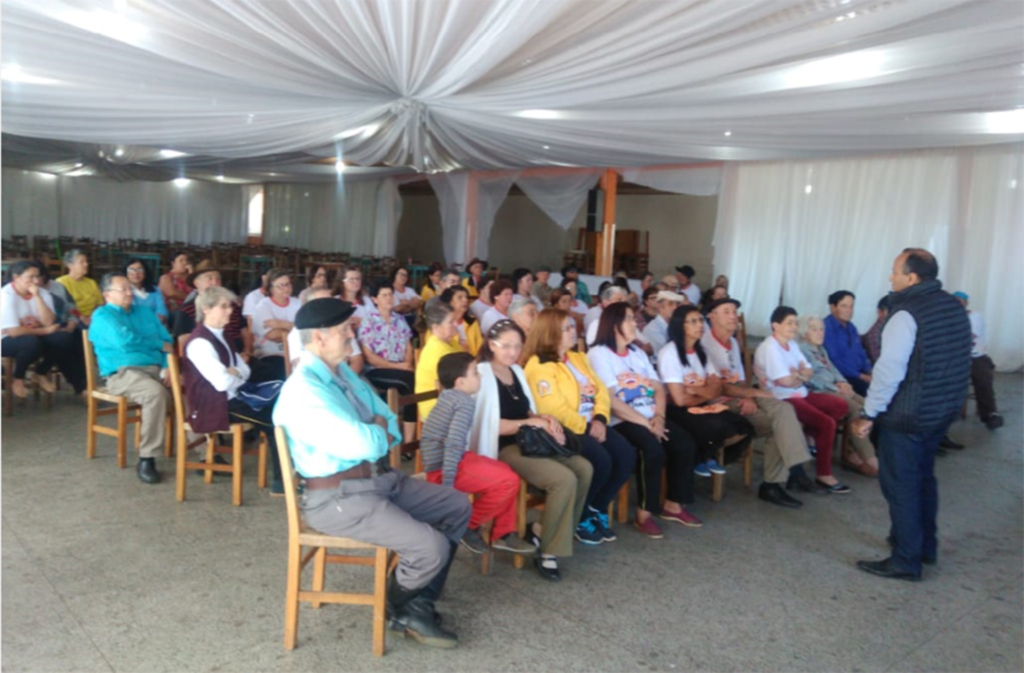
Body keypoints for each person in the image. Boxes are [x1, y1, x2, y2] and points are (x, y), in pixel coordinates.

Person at [274, 298, 471, 647]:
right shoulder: (305, 390)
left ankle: (416, 604)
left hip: (378, 480)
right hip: (336, 498)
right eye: (345, 330)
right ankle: (399, 606)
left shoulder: (343, 373)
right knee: (431, 547)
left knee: (456, 506)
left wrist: (375, 431)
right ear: (319, 338)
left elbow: (388, 422)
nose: (354, 334)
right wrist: (375, 431)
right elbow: (368, 441)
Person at [851, 248, 971, 582]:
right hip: (940, 410)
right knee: (923, 478)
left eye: (895, 271)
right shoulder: (952, 306)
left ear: (912, 277)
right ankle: (924, 546)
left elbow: (889, 371)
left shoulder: (905, 314)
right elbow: (964, 359)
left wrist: (869, 412)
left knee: (901, 486)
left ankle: (905, 558)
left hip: (908, 416)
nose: (891, 277)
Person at [468, 319, 593, 581]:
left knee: (584, 468)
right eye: (507, 346)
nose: (513, 352)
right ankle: (549, 551)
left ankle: (542, 528)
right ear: (491, 345)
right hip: (503, 446)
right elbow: (489, 425)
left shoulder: (517, 371)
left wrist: (545, 420)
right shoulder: (481, 373)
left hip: (528, 439)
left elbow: (527, 410)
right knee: (563, 479)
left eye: (517, 346)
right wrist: (530, 422)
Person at [588, 303, 701, 538]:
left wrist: (659, 417)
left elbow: (658, 387)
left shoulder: (638, 353)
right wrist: (645, 423)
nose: (635, 323)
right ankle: (644, 513)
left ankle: (673, 504)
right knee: (652, 450)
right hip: (622, 420)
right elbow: (608, 399)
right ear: (614, 323)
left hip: (651, 417)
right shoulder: (599, 353)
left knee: (684, 443)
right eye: (629, 319)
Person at [523, 309, 636, 545]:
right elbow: (553, 409)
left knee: (626, 453)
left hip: (592, 423)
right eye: (566, 328)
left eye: (573, 326)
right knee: (601, 460)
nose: (573, 332)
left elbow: (601, 391)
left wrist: (601, 420)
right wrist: (587, 426)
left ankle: (595, 507)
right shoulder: (539, 365)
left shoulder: (578, 358)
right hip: (563, 431)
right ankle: (581, 516)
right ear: (550, 333)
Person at [700, 297, 812, 508]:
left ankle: (791, 469)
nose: (734, 316)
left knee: (784, 408)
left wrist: (750, 395)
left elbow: (741, 378)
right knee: (777, 425)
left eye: (734, 311)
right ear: (711, 317)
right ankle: (777, 481)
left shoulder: (733, 341)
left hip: (742, 394)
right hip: (722, 401)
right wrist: (747, 394)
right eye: (727, 311)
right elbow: (720, 387)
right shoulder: (705, 344)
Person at [419, 352, 535, 555]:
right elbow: (454, 443)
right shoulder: (464, 403)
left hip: (450, 460)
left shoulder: (450, 396)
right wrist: (447, 486)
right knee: (508, 481)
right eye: (475, 373)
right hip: (444, 469)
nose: (480, 377)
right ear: (461, 382)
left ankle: (503, 533)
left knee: (507, 471)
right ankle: (466, 525)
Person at [183, 287, 284, 492]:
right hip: (214, 404)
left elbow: (244, 369)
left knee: (283, 406)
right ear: (206, 309)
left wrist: (234, 372)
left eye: (229, 306)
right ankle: (281, 483)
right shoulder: (200, 343)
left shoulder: (222, 335)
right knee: (277, 420)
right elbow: (221, 383)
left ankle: (286, 476)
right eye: (224, 306)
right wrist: (237, 373)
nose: (230, 311)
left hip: (232, 395)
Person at [755, 307, 851, 494]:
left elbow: (808, 371)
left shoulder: (792, 345)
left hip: (800, 393)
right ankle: (823, 473)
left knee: (840, 405)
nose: (794, 327)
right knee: (826, 423)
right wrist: (800, 375)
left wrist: (796, 375)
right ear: (775, 325)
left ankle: (808, 436)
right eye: (789, 323)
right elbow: (785, 382)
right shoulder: (770, 348)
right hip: (782, 397)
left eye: (796, 323)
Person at [88, 273, 173, 484]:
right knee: (155, 394)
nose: (129, 292)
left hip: (155, 368)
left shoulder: (144, 312)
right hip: (123, 373)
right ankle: (147, 457)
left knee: (190, 387)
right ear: (107, 294)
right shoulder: (102, 316)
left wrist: (168, 365)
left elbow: (168, 341)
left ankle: (204, 451)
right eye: (123, 289)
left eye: (130, 289)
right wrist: (158, 345)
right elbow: (124, 342)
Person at [659, 306, 754, 478]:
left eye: (701, 320)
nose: (700, 325)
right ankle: (701, 457)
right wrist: (708, 392)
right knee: (715, 425)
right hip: (675, 410)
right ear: (681, 326)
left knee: (741, 424)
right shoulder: (670, 353)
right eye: (693, 321)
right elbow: (679, 400)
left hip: (700, 403)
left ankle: (705, 455)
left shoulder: (701, 352)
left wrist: (696, 390)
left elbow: (717, 387)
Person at [798, 315, 879, 477]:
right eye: (814, 329)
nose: (820, 333)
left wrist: (843, 383)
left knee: (869, 407)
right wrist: (834, 387)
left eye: (821, 329)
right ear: (804, 333)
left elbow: (833, 369)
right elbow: (810, 378)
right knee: (857, 410)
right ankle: (870, 459)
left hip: (836, 388)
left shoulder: (820, 349)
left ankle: (853, 450)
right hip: (818, 391)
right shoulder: (801, 350)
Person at [1, 260, 84, 397]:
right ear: (16, 278)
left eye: (38, 276)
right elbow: (14, 331)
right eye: (30, 277)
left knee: (63, 339)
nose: (36, 281)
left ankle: (40, 372)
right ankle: (18, 377)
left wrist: (37, 296)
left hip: (33, 335)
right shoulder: (6, 295)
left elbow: (48, 321)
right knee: (31, 343)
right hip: (5, 339)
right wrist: (44, 331)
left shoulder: (42, 293)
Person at [358, 279, 417, 442]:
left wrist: (407, 364)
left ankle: (409, 440)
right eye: (384, 295)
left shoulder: (400, 319)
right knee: (410, 381)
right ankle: (401, 439)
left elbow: (408, 346)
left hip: (401, 368)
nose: (389, 298)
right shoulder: (368, 321)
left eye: (390, 294)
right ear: (375, 299)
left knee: (412, 382)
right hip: (377, 369)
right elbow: (370, 357)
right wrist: (398, 366)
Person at [173, 261, 250, 359]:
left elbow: (244, 331)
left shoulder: (232, 305)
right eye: (209, 278)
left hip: (240, 356)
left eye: (218, 279)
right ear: (197, 283)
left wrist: (247, 352)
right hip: (210, 358)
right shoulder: (187, 309)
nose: (215, 283)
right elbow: (183, 341)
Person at [953, 291, 1003, 430]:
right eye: (954, 301)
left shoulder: (975, 317)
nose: (957, 304)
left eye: (960, 301)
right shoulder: (949, 317)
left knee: (982, 380)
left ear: (966, 303)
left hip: (976, 356)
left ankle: (990, 414)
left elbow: (969, 337)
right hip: (956, 357)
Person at [287, 288, 363, 374]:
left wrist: (349, 381)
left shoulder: (342, 327)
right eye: (324, 302)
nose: (331, 305)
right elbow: (301, 367)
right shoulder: (298, 333)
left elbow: (357, 359)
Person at [415, 302, 464, 420]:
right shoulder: (436, 350)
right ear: (436, 327)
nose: (456, 324)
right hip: (436, 407)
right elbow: (454, 382)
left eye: (455, 320)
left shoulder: (451, 343)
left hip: (451, 398)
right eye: (451, 322)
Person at [251, 269, 299, 382]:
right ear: (271, 289)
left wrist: (281, 324)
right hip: (271, 352)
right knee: (281, 373)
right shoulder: (263, 307)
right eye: (280, 286)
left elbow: (307, 329)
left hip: (295, 351)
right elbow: (273, 335)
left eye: (288, 284)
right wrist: (295, 329)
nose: (286, 288)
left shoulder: (297, 303)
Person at [823, 290, 873, 396]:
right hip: (842, 378)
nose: (848, 310)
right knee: (872, 393)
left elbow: (861, 353)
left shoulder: (851, 327)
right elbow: (834, 360)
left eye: (851, 306)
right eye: (844, 306)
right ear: (833, 307)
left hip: (860, 374)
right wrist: (863, 377)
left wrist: (870, 372)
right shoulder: (826, 328)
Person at [56, 249, 103, 325]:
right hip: (74, 319)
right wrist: (82, 317)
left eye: (86, 262)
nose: (86, 264)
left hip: (93, 318)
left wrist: (94, 317)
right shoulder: (61, 283)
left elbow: (100, 303)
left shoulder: (91, 282)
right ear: (70, 265)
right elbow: (65, 307)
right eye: (82, 262)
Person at [439, 286, 483, 356]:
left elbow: (480, 348)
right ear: (449, 301)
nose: (465, 300)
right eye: (460, 297)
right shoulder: (439, 324)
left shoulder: (472, 322)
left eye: (466, 297)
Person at [640, 290, 685, 357]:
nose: (675, 307)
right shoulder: (652, 329)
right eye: (671, 304)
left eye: (677, 304)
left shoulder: (678, 325)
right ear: (660, 307)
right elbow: (670, 352)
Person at [124, 258, 168, 324]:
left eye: (140, 269)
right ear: (126, 273)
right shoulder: (124, 292)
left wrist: (155, 321)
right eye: (131, 270)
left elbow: (161, 309)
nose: (136, 273)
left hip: (155, 325)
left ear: (145, 272)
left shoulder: (155, 290)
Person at [390, 266, 423, 330]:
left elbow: (420, 302)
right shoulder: (390, 290)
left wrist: (406, 303)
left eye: (405, 275)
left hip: (412, 318)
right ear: (394, 275)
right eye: (401, 275)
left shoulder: (410, 290)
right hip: (396, 319)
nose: (403, 277)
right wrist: (413, 305)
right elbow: (397, 309)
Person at [862, 295, 890, 364]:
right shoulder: (874, 334)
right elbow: (880, 363)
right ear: (880, 312)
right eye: (890, 312)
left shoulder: (894, 330)